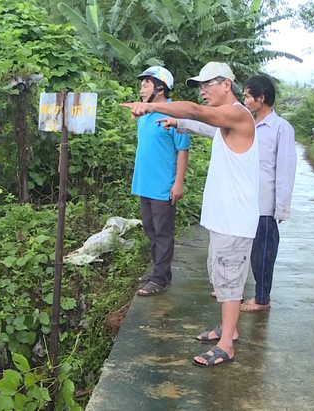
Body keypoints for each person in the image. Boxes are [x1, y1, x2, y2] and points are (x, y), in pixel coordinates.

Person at [122, 62, 258, 367]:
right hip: (225, 216)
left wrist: (153, 109)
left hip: (234, 218)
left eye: (207, 85)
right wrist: (176, 123)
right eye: (200, 87)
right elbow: (201, 124)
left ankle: (226, 344)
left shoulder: (237, 113)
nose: (203, 91)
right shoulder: (227, 121)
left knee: (230, 276)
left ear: (226, 84)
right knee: (222, 274)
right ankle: (229, 328)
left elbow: (197, 113)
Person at [166, 75, 297, 312]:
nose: (245, 100)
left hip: (264, 204)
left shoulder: (280, 128)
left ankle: (261, 297)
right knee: (239, 254)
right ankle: (235, 294)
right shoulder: (243, 122)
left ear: (262, 97)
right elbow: (208, 124)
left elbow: (286, 168)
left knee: (262, 255)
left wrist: (281, 207)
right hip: (241, 203)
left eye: (248, 95)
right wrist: (179, 123)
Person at [130, 66, 190, 297]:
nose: (141, 88)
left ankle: (159, 279)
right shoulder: (144, 116)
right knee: (150, 229)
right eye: (142, 84)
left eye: (146, 84)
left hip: (163, 185)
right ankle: (161, 271)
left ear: (160, 88)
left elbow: (182, 150)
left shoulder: (174, 114)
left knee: (163, 232)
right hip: (145, 184)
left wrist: (178, 183)